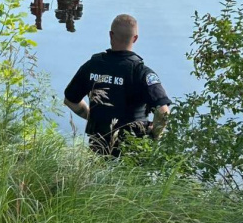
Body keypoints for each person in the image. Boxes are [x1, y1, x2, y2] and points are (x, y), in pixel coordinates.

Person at [63, 14, 171, 157]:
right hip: (133, 150)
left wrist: (93, 117)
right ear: (135, 38)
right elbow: (163, 112)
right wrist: (154, 135)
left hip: (99, 146)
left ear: (110, 35)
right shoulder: (141, 72)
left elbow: (70, 100)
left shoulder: (93, 66)